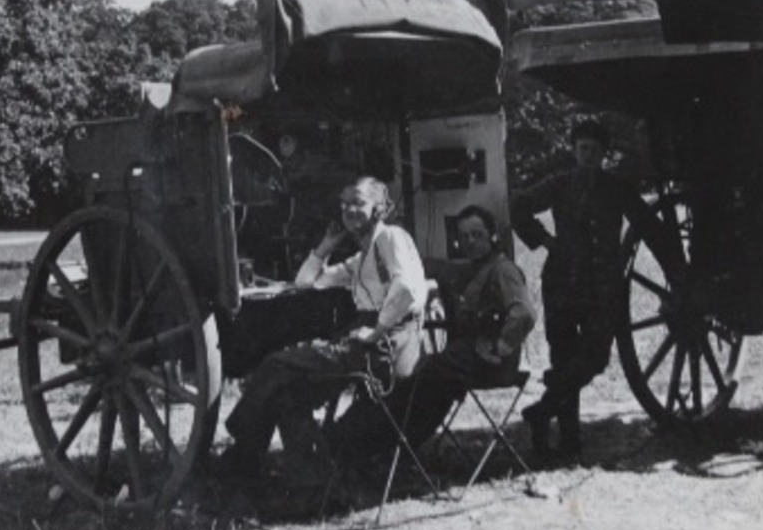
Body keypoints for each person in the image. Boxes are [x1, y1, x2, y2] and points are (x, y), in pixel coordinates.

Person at [212, 176, 428, 481]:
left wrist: (376, 331)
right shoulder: (361, 257)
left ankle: (241, 444)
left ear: (380, 208)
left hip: (386, 348)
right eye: (345, 205)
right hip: (371, 345)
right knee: (286, 396)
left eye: (358, 203)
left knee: (276, 363)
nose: (349, 210)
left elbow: (405, 288)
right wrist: (327, 245)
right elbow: (306, 281)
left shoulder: (391, 238)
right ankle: (307, 482)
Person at [327, 204, 535, 460]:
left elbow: (524, 313)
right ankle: (374, 446)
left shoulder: (503, 270)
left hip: (492, 365)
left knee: (414, 385)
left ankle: (364, 443)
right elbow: (429, 266)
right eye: (464, 236)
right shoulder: (471, 268)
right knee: (417, 384)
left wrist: (498, 346)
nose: (470, 241)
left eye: (477, 235)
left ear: (492, 237)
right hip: (463, 363)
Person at [512, 117, 635, 462]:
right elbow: (518, 204)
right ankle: (569, 442)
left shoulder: (617, 188)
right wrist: (545, 241)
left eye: (596, 151)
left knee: (595, 357)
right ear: (573, 150)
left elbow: (646, 221)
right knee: (563, 357)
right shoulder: (560, 184)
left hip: (602, 287)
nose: (589, 155)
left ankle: (541, 411)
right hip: (563, 283)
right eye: (583, 149)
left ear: (605, 155)